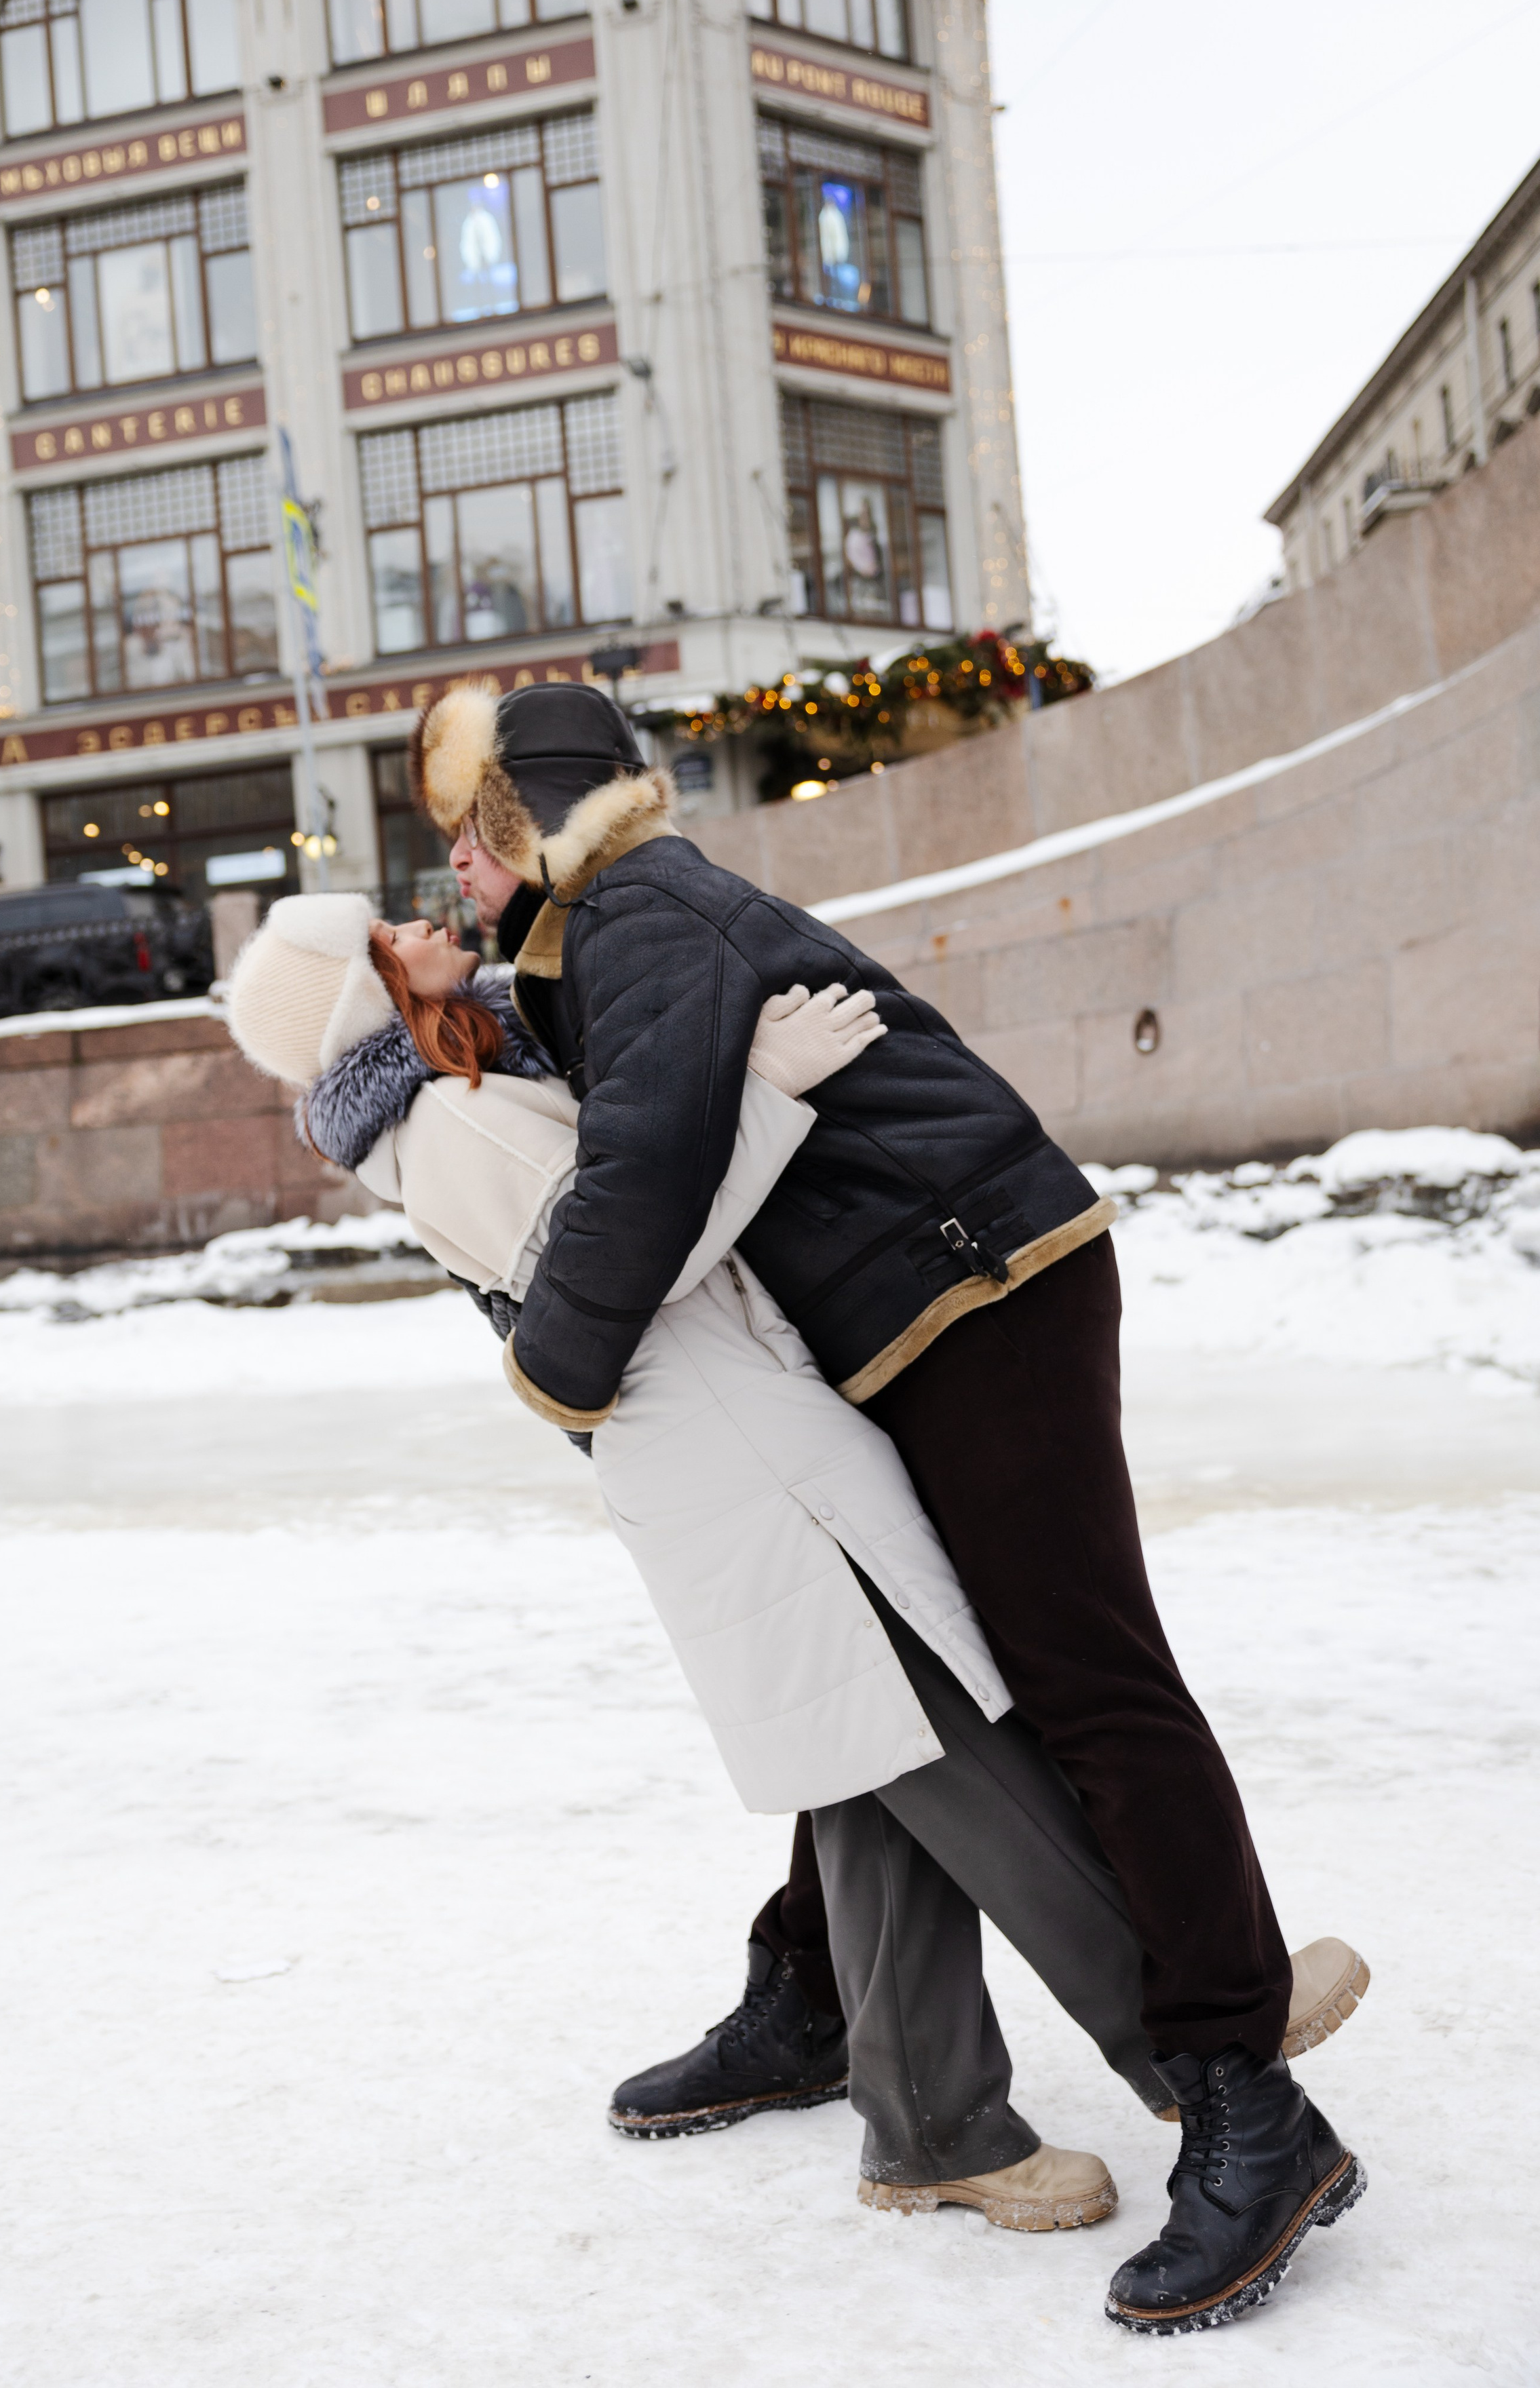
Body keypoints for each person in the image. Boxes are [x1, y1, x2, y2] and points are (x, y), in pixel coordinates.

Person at [405, 677, 1367, 2334]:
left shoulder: (636, 916)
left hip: (978, 1287)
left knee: (1085, 1682)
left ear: (529, 820)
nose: (454, 873)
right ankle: (811, 1994)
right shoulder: (601, 935)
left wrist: (550, 1364)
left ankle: (1241, 2088)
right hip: (910, 1304)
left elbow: (639, 1181)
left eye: (469, 835)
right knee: (868, 1665)